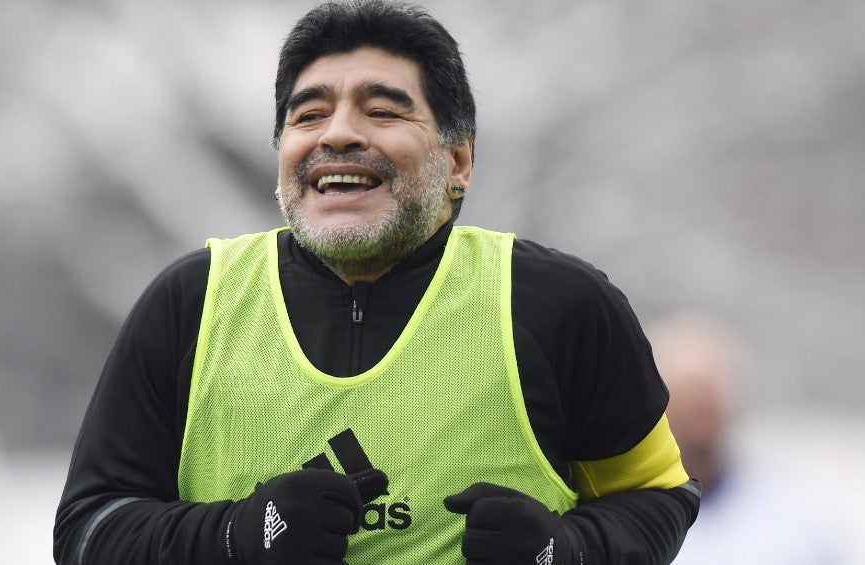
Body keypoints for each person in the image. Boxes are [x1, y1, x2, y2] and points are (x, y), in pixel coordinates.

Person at [54, 1, 700, 563]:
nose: (338, 134)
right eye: (309, 115)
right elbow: (88, 530)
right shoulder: (191, 304)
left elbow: (659, 496)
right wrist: (234, 537)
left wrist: (568, 551)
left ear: (459, 160)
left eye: (383, 110)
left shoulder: (560, 304)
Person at [651, 312, 848, 564]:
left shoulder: (797, 520)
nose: (700, 417)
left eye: (709, 400)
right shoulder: (626, 522)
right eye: (687, 397)